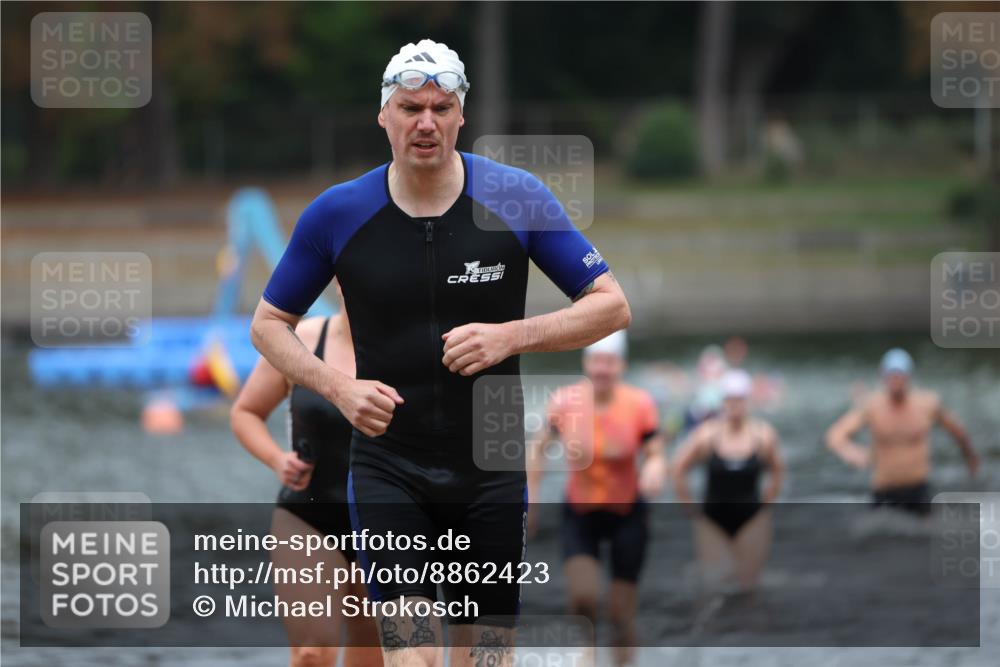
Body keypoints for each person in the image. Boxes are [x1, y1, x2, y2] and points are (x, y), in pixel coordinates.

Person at [249, 39, 630, 667]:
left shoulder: (515, 196)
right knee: (414, 657)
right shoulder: (339, 212)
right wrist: (339, 388)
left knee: (486, 660)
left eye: (440, 108)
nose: (425, 122)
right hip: (389, 465)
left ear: (460, 116)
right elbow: (268, 325)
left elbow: (611, 305)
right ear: (384, 116)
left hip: (490, 465)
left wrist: (510, 335)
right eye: (410, 108)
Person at [231, 284, 382, 667]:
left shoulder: (410, 347)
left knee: (373, 654)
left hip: (389, 520)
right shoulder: (300, 340)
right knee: (312, 653)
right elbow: (246, 412)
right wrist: (277, 459)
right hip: (309, 516)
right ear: (339, 281)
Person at [527, 330, 666, 667]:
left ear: (622, 365)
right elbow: (537, 450)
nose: (603, 369)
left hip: (627, 512)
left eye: (610, 362)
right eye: (597, 361)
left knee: (620, 613)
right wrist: (530, 502)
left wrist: (654, 469)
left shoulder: (640, 404)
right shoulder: (565, 402)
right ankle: (585, 657)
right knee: (583, 598)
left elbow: (656, 451)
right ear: (586, 363)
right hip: (581, 512)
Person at [825, 348, 978, 516]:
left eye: (899, 376)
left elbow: (957, 431)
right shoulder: (872, 406)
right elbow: (835, 435)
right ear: (883, 377)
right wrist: (852, 453)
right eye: (891, 376)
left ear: (908, 376)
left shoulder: (926, 404)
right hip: (884, 489)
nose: (895, 381)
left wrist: (969, 457)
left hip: (918, 488)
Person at [671, 369, 783, 590]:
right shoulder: (706, 435)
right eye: (730, 400)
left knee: (748, 585)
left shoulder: (763, 435)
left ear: (748, 401)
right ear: (723, 402)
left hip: (751, 517)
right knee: (716, 584)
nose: (735, 405)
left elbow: (777, 471)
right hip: (712, 520)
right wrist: (690, 509)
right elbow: (677, 469)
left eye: (740, 400)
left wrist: (767, 506)